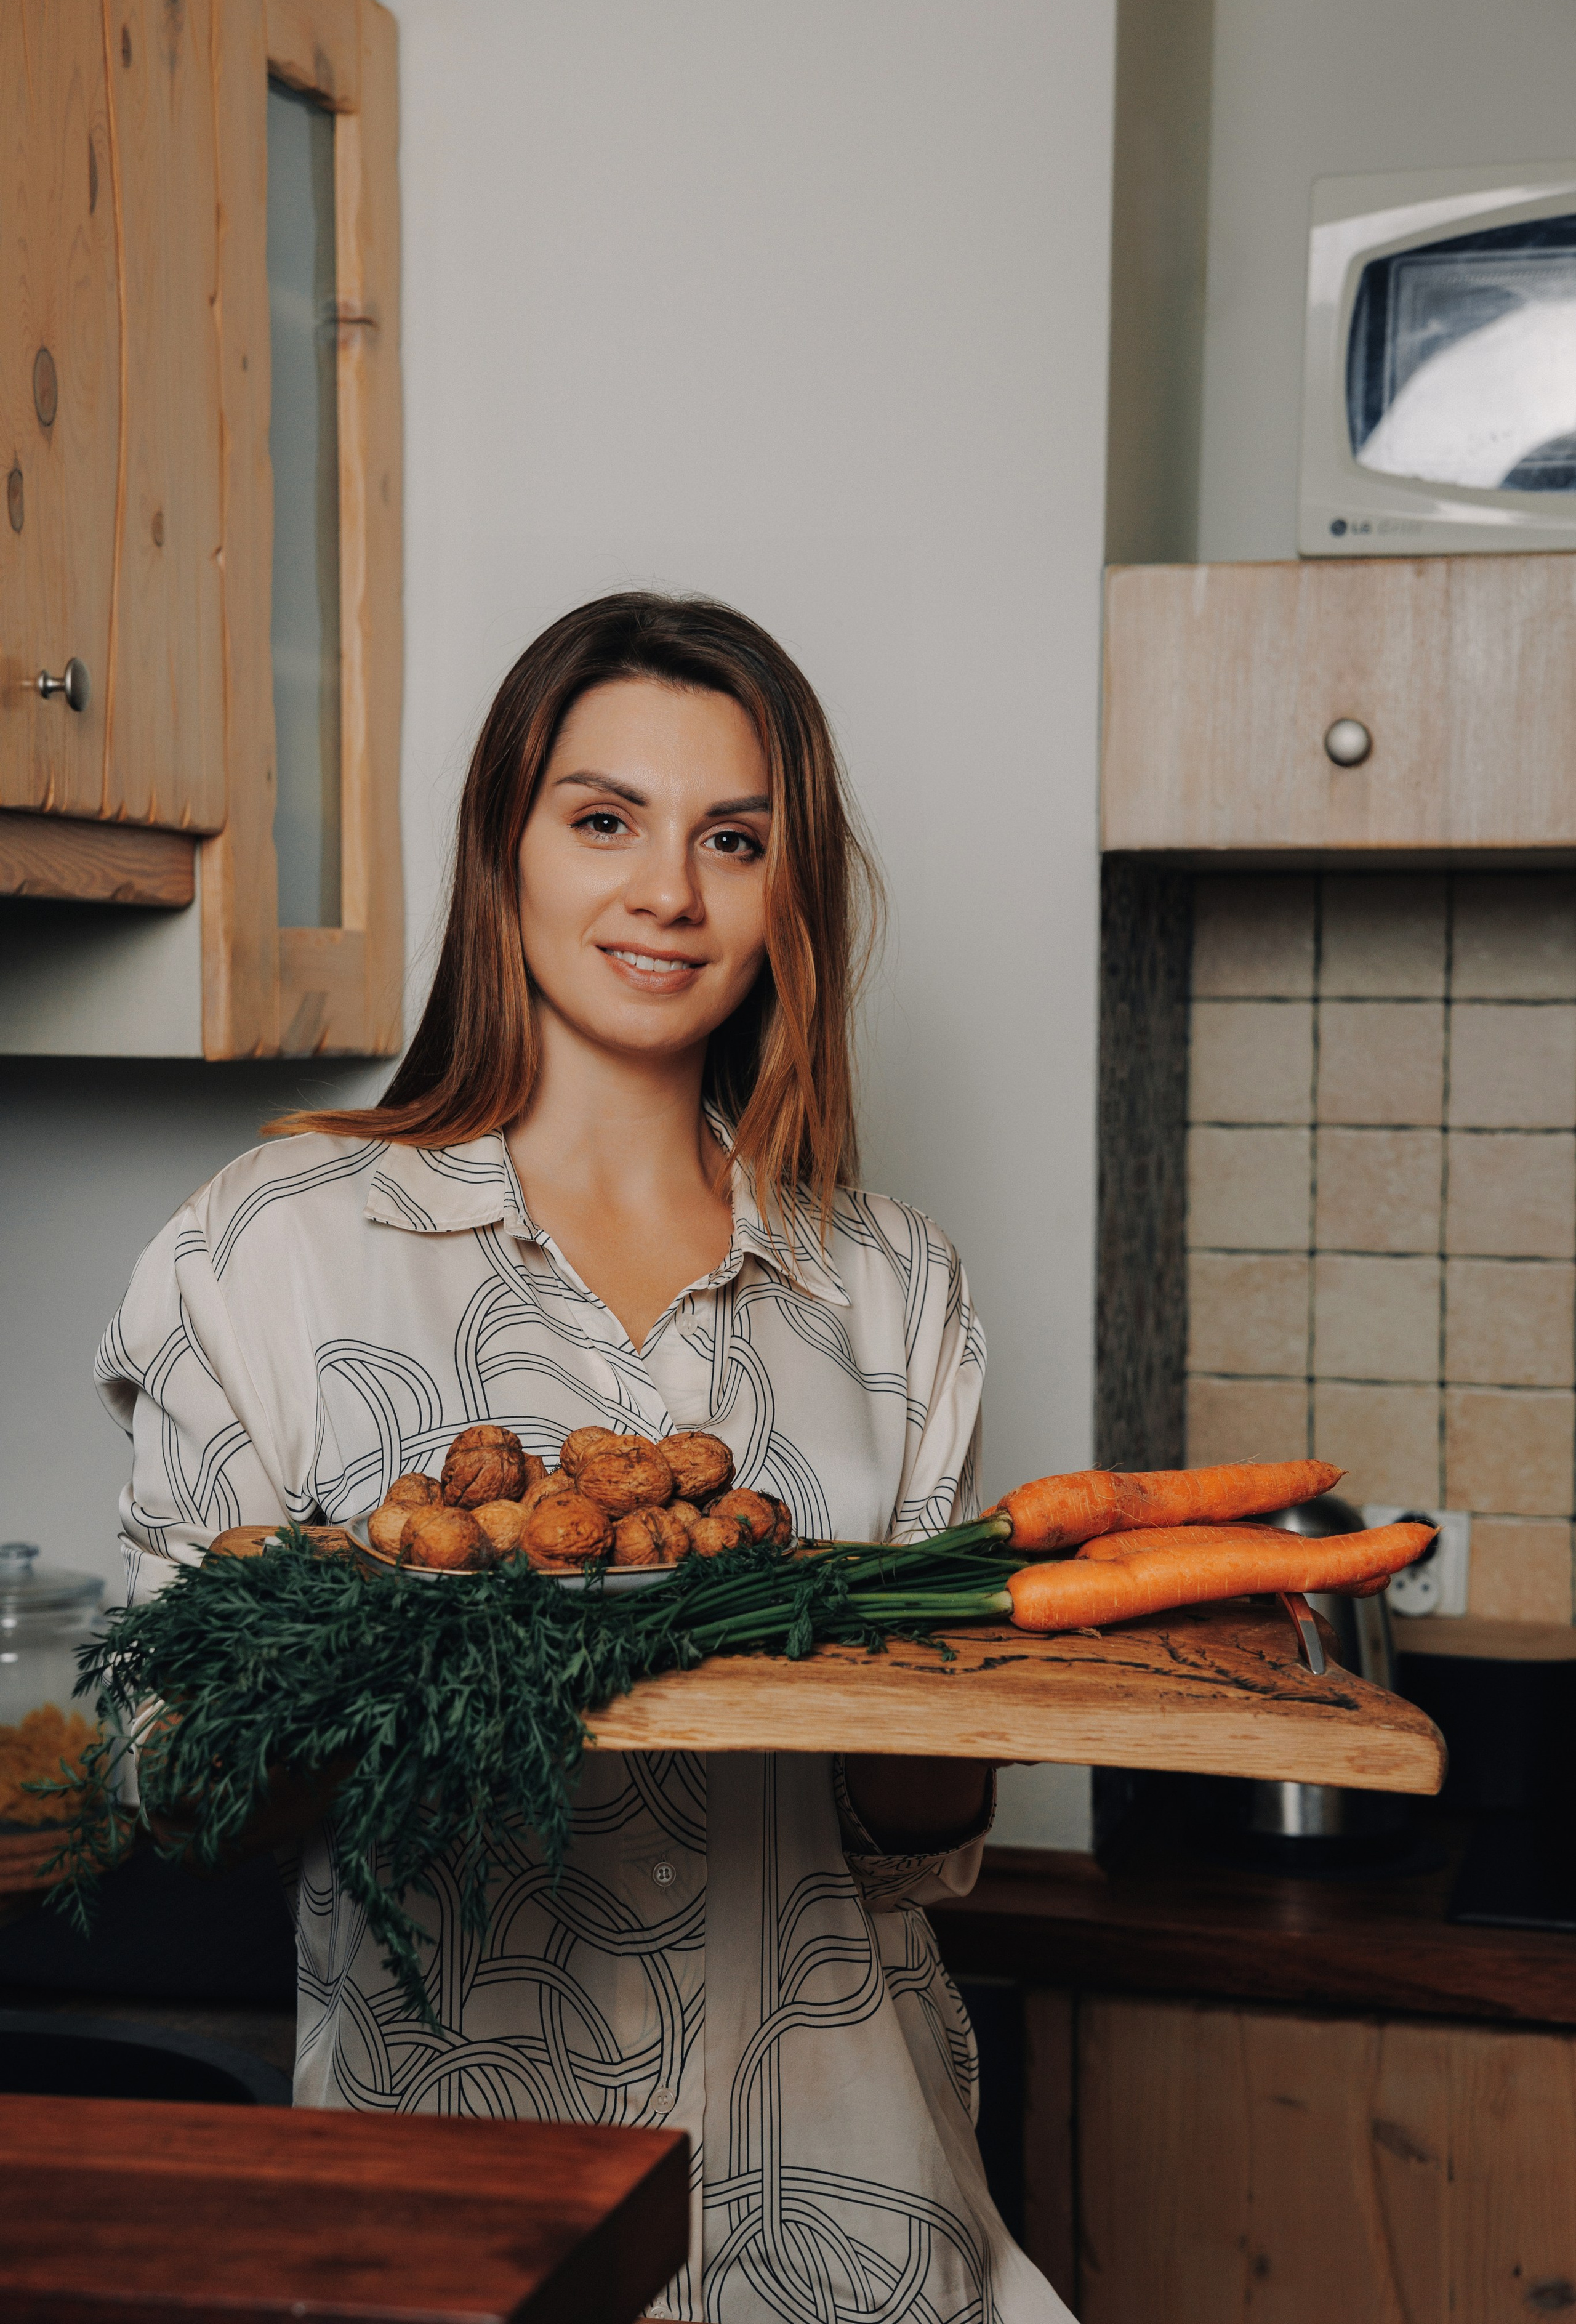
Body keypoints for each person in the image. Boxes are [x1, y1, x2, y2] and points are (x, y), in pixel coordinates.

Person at [97, 594, 1073, 2323]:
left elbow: (916, 1849)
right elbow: (179, 1788)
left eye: (734, 839)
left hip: (848, 2235)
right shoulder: (270, 1248)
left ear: (792, 895)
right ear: (506, 848)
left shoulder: (890, 1285)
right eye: (604, 819)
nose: (668, 894)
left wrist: (956, 1677)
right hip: (459, 2244)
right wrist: (362, 1657)